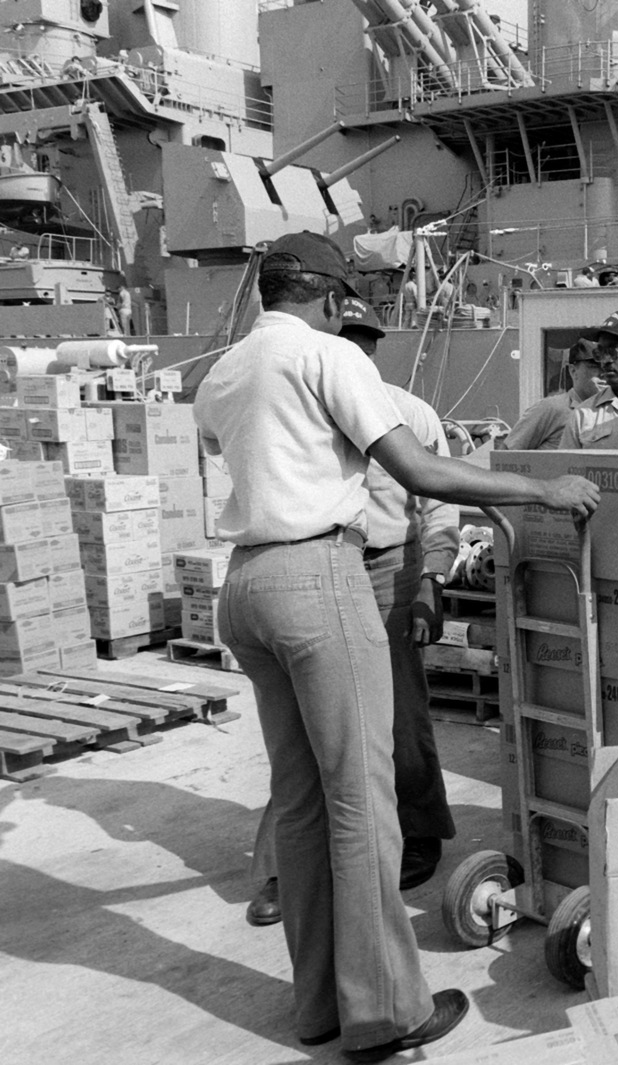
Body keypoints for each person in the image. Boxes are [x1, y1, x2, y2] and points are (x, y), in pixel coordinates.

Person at [195, 232, 599, 1061]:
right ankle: (384, 1011)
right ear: (331, 296)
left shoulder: (224, 371)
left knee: (302, 803)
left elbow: (241, 453)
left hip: (243, 585)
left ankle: (319, 1006)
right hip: (317, 574)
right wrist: (538, 487)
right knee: (361, 802)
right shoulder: (327, 356)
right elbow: (419, 471)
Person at [245, 296, 462, 922]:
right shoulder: (296, 407)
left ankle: (419, 829)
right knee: (308, 725)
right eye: (347, 336)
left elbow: (438, 503)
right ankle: (291, 862)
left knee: (400, 712)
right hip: (318, 565)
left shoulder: (409, 413)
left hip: (389, 570)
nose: (357, 349)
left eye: (367, 339)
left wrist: (433, 582)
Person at [560, 311, 618, 449]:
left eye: (614, 352)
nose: (605, 361)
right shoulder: (583, 414)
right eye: (600, 353)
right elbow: (565, 468)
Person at [502, 338, 601, 450]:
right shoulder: (552, 409)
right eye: (595, 367)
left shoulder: (612, 415)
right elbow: (505, 455)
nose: (603, 374)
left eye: (607, 366)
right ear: (573, 371)